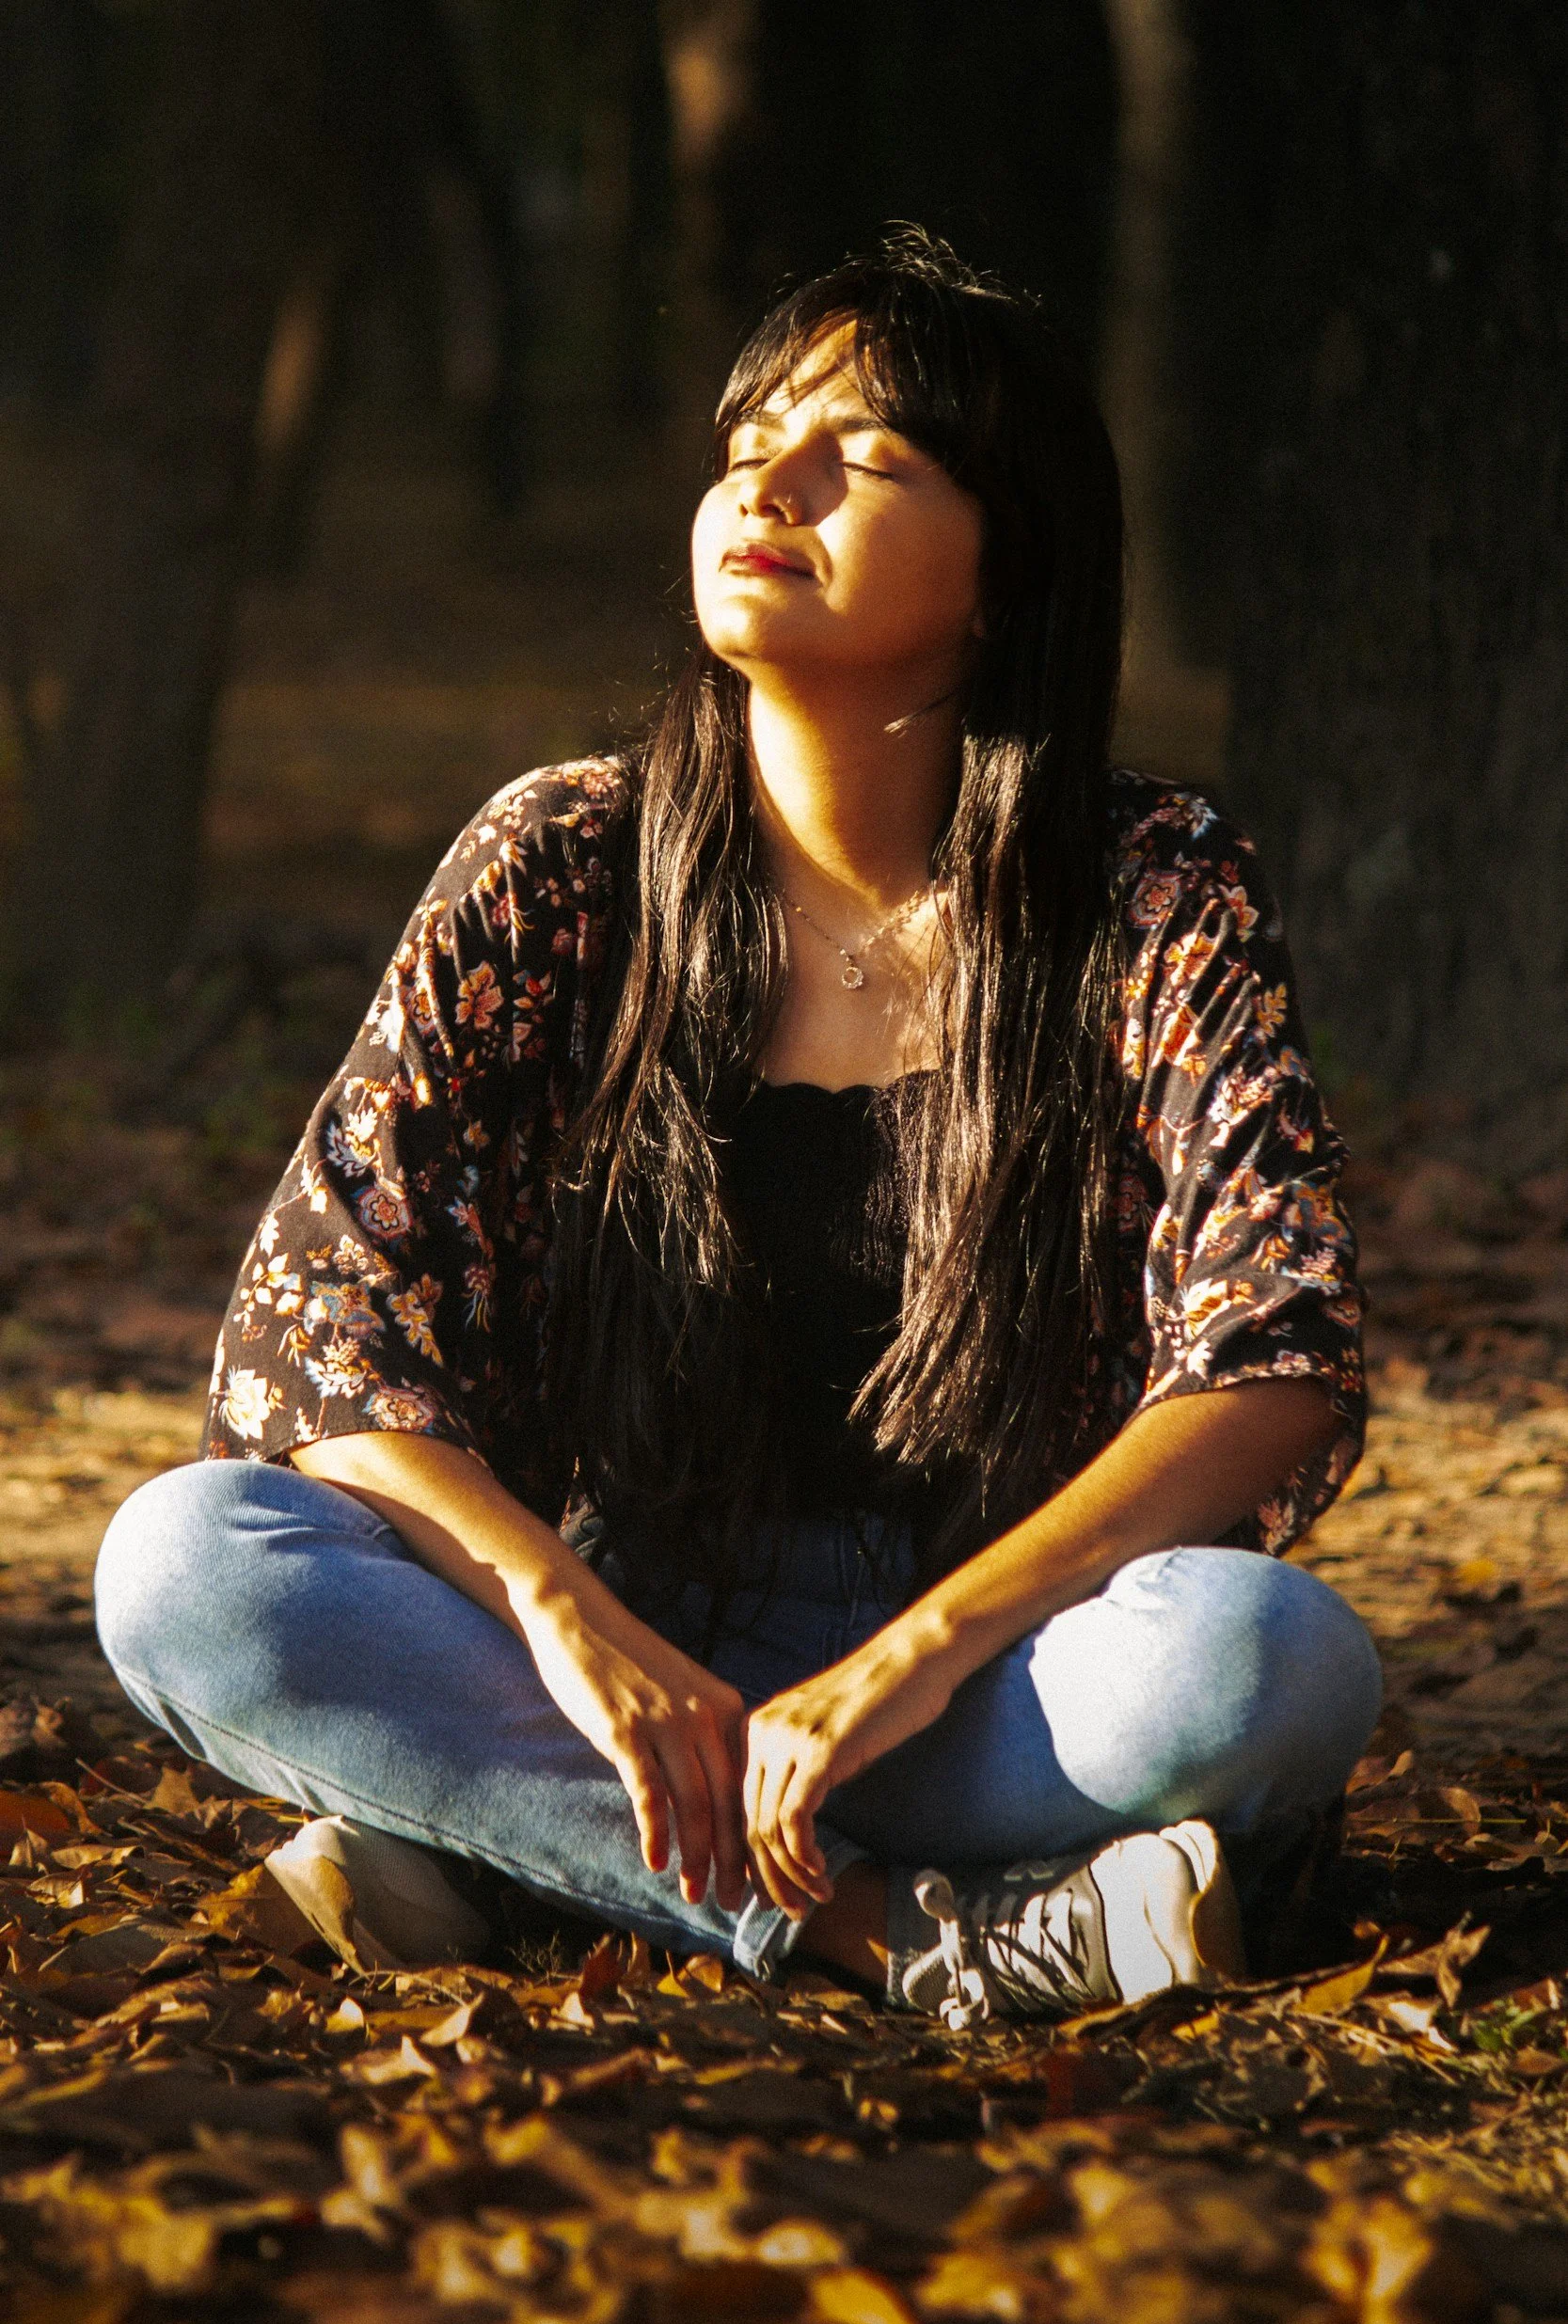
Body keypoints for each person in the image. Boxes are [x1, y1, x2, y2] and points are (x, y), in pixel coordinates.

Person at [95, 234, 1381, 2025]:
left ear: (1009, 570)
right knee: (188, 1567)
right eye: (748, 437)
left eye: (860, 457)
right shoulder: (559, 865)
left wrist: (915, 1661)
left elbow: (1272, 1349)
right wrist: (577, 1636)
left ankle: (500, 1858)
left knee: (1261, 1662)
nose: (761, 485)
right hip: (606, 1655)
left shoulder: (1147, 886)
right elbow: (335, 1330)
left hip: (985, 1673)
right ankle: (902, 1934)